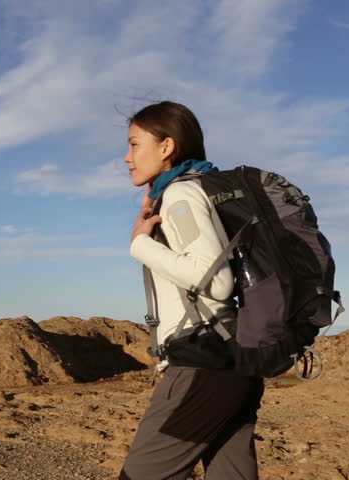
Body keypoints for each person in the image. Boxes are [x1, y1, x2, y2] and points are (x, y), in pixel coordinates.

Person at [118, 101, 264, 479]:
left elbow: (215, 279)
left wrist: (141, 245)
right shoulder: (203, 190)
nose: (126, 157)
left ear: (166, 147)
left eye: (135, 145)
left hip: (204, 362)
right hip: (236, 361)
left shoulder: (182, 195)